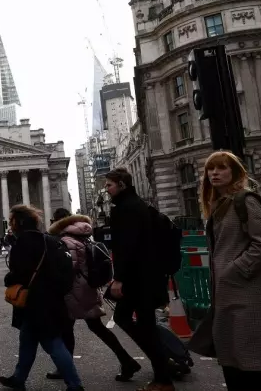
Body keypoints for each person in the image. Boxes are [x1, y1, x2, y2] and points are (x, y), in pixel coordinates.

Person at [194, 151, 261, 390]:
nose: (214, 173)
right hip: (228, 294)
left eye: (222, 168)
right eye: (211, 169)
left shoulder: (245, 200)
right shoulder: (219, 204)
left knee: (258, 359)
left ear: (235, 172)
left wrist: (235, 270)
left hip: (249, 292)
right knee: (234, 358)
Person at [45, 208, 139, 382]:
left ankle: (65, 368)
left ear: (60, 222)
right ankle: (126, 360)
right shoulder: (84, 236)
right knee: (97, 328)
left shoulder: (67, 240)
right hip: (88, 288)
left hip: (73, 291)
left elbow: (69, 269)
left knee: (67, 329)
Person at [0, 205, 84, 391]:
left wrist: (8, 279)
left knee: (53, 343)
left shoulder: (22, 243)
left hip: (34, 303)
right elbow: (67, 272)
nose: (10, 226)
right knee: (27, 339)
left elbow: (17, 274)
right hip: (51, 301)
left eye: (12, 222)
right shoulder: (51, 241)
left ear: (19, 222)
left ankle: (75, 384)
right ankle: (18, 378)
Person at [105, 167, 174, 391]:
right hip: (147, 276)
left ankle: (163, 376)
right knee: (139, 323)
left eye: (109, 185)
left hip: (137, 279)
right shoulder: (138, 205)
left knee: (138, 324)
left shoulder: (126, 209)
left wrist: (119, 279)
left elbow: (128, 247)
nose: (106, 190)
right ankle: (162, 367)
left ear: (121, 184)